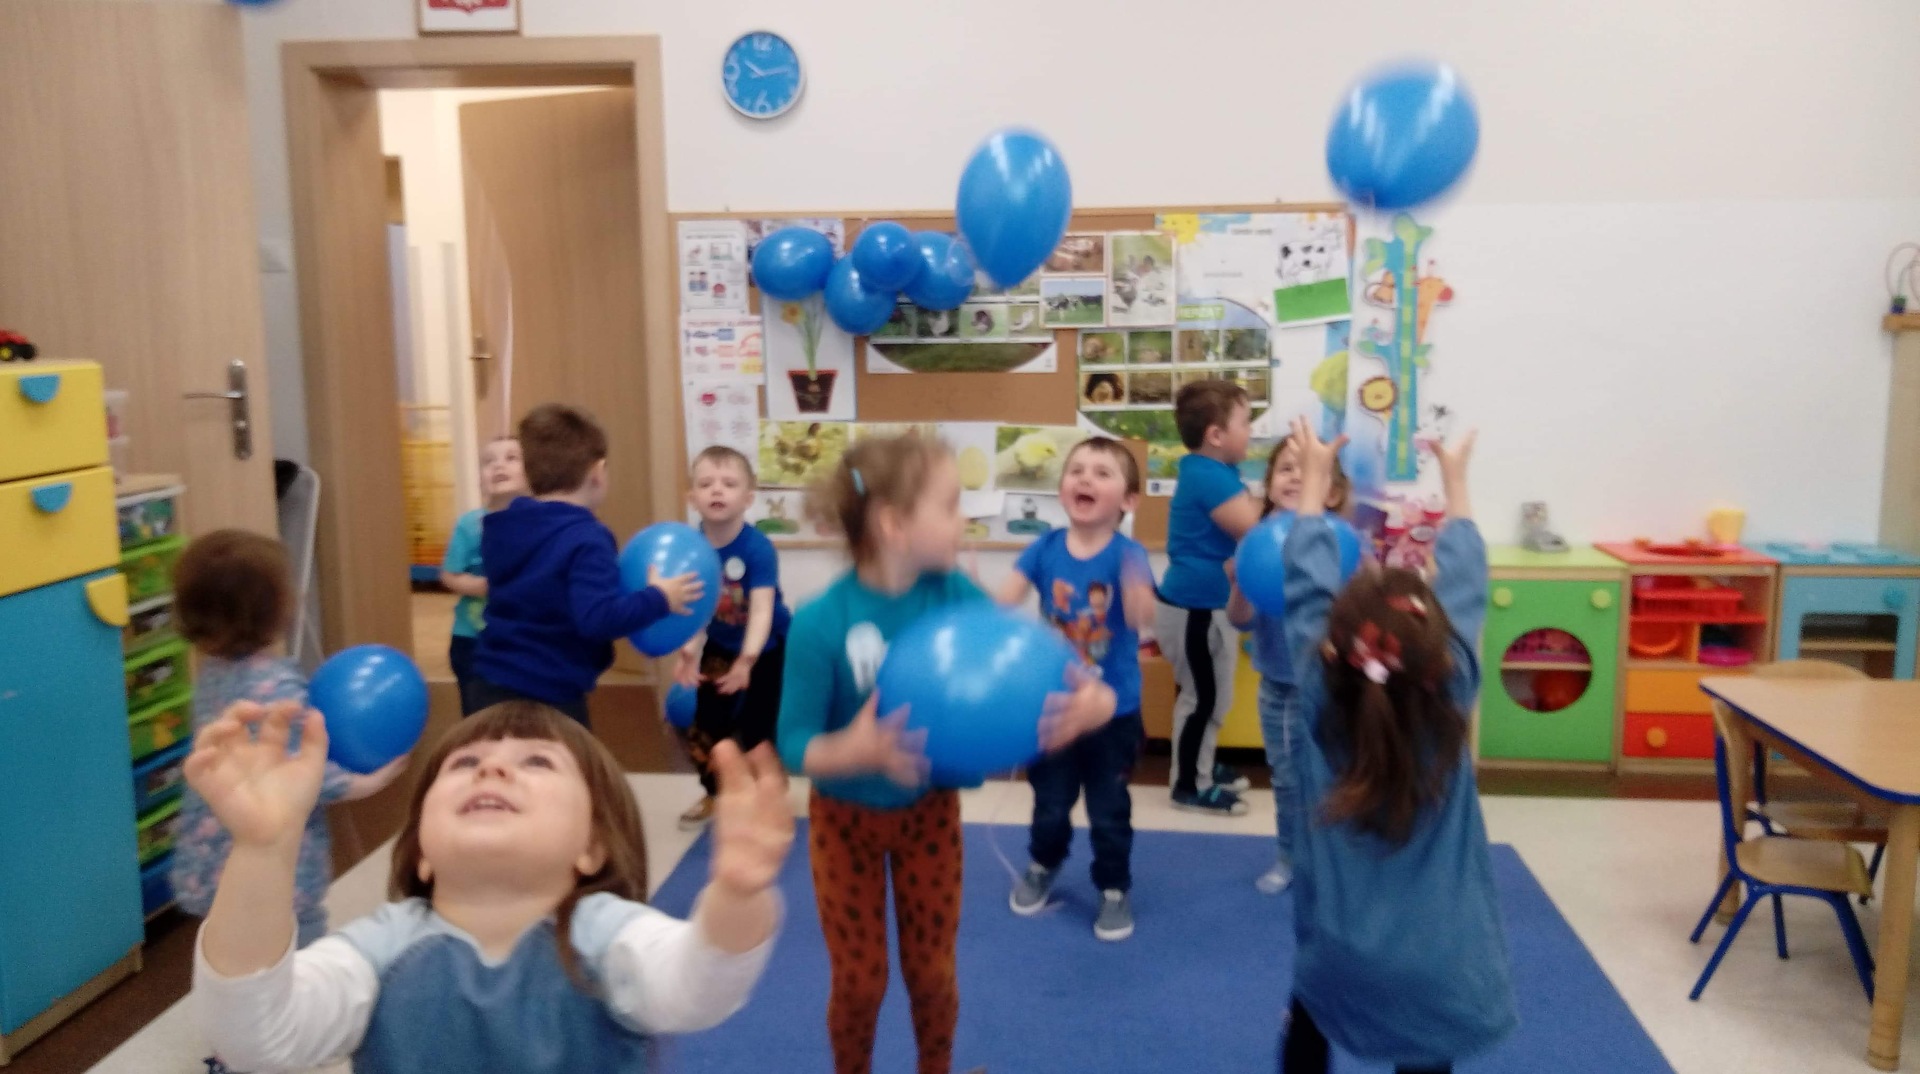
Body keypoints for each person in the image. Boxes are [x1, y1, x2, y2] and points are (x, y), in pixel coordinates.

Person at [188, 699, 790, 1073]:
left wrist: (737, 899)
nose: (492, 768)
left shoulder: (608, 937)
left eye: (537, 762)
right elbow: (257, 1038)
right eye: (463, 764)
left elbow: (696, 985)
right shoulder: (381, 951)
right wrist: (263, 851)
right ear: (422, 854)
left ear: (592, 847)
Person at [777, 432, 1115, 1074]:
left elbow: (1026, 664)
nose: (967, 521)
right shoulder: (821, 622)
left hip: (929, 815)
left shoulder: (955, 597)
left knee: (932, 973)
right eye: (952, 505)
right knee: (860, 981)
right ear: (894, 524)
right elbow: (793, 744)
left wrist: (1094, 699)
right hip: (843, 825)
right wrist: (852, 750)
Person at [1276, 417, 1515, 1074]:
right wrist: (1456, 478)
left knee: (1309, 1019)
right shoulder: (1452, 693)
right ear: (1439, 657)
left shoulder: (1319, 693)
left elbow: (1304, 586)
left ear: (1333, 648)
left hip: (1339, 957)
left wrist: (1313, 483)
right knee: (1426, 1052)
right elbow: (1466, 584)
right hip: (1443, 966)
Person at [168, 530, 404, 955]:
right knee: (296, 950)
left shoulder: (212, 674)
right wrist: (368, 783)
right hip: (273, 856)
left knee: (234, 946)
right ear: (277, 610)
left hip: (213, 851)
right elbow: (301, 771)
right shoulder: (276, 686)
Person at [996, 437, 1155, 941]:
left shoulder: (1129, 554)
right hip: (1054, 709)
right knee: (1049, 802)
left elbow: (1142, 616)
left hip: (1114, 713)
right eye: (1077, 469)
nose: (1085, 478)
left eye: (1102, 473)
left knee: (1109, 811)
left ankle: (1113, 886)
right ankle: (1044, 863)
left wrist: (1137, 598)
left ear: (1128, 500)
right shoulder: (1043, 548)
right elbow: (1003, 601)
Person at [470, 403, 705, 725]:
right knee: (565, 759)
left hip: (488, 680)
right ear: (598, 472)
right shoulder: (588, 538)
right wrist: (660, 598)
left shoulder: (503, 525)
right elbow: (598, 618)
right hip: (548, 693)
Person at [1226, 436, 1351, 895]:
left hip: (1337, 684)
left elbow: (1362, 609)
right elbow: (1239, 619)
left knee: (1335, 775)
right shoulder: (1257, 543)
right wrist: (1239, 584)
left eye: (1309, 469)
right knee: (1288, 779)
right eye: (1285, 468)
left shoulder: (1340, 543)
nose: (1296, 476)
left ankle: (1336, 860)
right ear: (1270, 485)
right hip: (1280, 685)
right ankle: (1289, 856)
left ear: (1332, 493)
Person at [1155, 380, 1262, 816]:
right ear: (1216, 435)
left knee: (1212, 697)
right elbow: (1253, 529)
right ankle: (1189, 785)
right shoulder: (1208, 476)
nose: (1251, 431)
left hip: (1205, 607)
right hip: (1196, 610)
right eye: (1245, 423)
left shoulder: (1212, 472)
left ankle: (1198, 762)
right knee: (1203, 699)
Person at [672, 446, 792, 831]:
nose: (717, 490)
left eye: (728, 483)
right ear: (692, 497)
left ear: (748, 498)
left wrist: (747, 662)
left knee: (758, 729)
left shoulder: (757, 549)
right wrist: (688, 651)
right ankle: (715, 792)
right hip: (721, 645)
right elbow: (699, 609)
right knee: (707, 725)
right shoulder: (693, 547)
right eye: (706, 483)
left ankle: (771, 792)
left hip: (766, 648)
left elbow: (761, 611)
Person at [439, 436, 527, 716]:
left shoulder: (538, 524)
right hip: (472, 639)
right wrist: (486, 586)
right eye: (489, 462)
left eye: (511, 458)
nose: (499, 465)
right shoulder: (470, 524)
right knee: (478, 714)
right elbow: (450, 575)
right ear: (480, 480)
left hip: (522, 639)